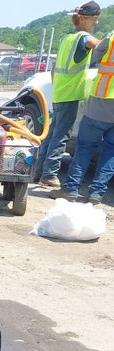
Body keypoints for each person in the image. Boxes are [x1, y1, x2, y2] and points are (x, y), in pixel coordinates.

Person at [35, 2, 100, 188]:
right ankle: (49, 174)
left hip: (60, 93)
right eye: (95, 19)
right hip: (70, 95)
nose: (96, 22)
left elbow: (54, 69)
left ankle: (38, 171)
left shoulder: (67, 38)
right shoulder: (84, 38)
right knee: (61, 136)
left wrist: (57, 89)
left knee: (52, 135)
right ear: (83, 18)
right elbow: (101, 46)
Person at [51, 27, 114, 204]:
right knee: (111, 151)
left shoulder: (111, 37)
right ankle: (96, 193)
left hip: (102, 100)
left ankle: (70, 189)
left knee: (85, 147)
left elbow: (97, 55)